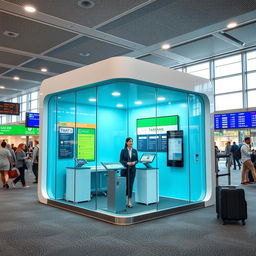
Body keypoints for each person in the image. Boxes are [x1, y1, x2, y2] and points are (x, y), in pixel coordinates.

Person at [120, 137, 138, 208]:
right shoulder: (123, 151)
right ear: (126, 142)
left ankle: (129, 201)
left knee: (130, 185)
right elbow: (121, 160)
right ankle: (122, 200)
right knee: (125, 186)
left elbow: (137, 160)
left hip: (132, 171)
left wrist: (134, 162)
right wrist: (127, 163)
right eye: (130, 141)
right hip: (125, 170)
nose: (131, 143)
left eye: (132, 141)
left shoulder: (134, 151)